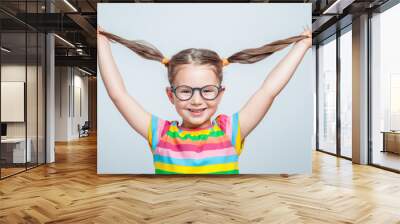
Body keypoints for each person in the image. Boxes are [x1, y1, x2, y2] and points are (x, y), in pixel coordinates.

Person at [97, 26, 312, 174]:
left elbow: (269, 90)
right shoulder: (160, 133)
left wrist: (301, 46)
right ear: (170, 95)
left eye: (207, 90)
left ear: (220, 93)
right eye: (185, 91)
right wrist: (102, 43)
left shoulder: (231, 131)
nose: (197, 100)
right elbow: (118, 95)